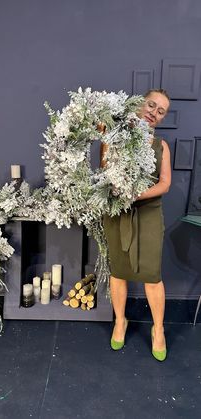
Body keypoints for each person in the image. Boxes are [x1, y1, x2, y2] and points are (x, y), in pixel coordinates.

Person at [100, 89, 171, 361]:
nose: (154, 111)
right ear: (140, 103)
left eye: (160, 110)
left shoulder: (161, 146)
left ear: (162, 118)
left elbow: (164, 184)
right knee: (118, 271)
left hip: (149, 213)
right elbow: (105, 170)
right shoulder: (114, 136)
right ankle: (120, 321)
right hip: (118, 214)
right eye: (151, 104)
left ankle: (159, 330)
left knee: (152, 275)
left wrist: (135, 194)